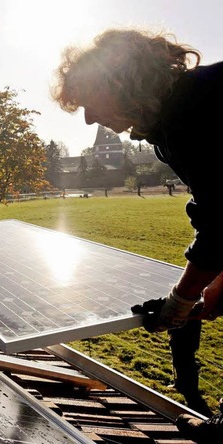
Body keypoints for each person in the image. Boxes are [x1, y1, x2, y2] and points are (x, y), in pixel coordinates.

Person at [51, 27, 223, 442]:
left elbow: (222, 221)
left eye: (91, 103)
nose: (89, 118)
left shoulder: (194, 111)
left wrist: (181, 300)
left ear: (120, 83)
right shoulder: (178, 111)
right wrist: (202, 302)